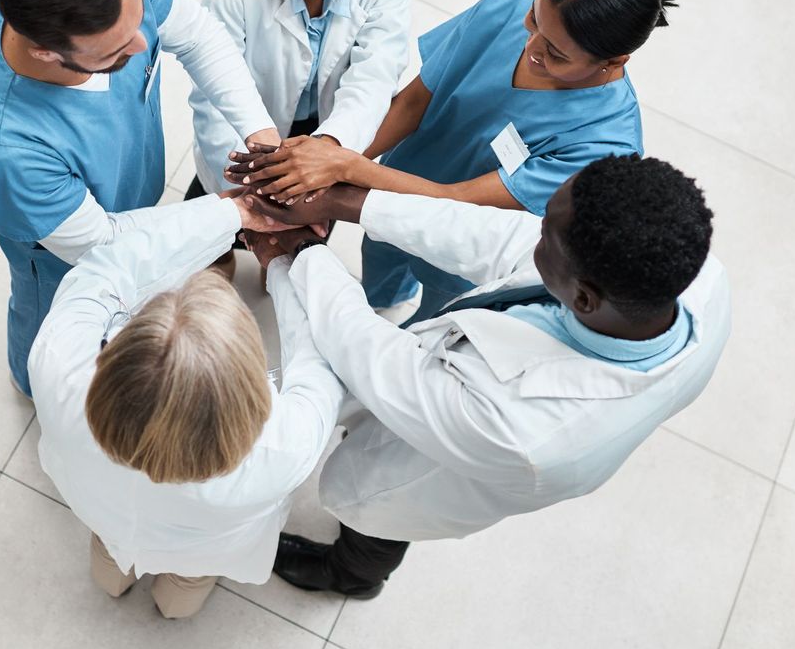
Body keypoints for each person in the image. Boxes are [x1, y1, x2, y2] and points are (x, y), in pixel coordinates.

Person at [241, 154, 728, 598]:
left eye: (546, 237)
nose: (533, 232)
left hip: (434, 474)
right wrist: (343, 202)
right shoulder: (689, 274)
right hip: (457, 411)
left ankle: (351, 578)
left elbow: (369, 354)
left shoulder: (523, 428)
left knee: (378, 526)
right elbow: (489, 236)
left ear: (583, 299)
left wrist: (300, 254)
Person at [230, 0, 674, 319]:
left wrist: (346, 167)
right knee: (379, 274)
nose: (530, 47)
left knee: (434, 326)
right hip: (381, 193)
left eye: (554, 54)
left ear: (614, 62)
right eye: (534, 20)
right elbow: (413, 102)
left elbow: (459, 205)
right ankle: (384, 304)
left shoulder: (603, 145)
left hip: (459, 254)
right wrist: (325, 156)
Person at [0, 0, 281, 397]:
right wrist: (236, 212)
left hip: (129, 196)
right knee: (52, 337)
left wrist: (261, 134)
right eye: (117, 52)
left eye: (137, 23)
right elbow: (101, 246)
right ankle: (32, 386)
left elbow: (198, 37)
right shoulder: (8, 148)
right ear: (46, 52)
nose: (143, 46)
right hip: (63, 254)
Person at [27, 191, 342, 618]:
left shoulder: (58, 368)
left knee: (110, 552)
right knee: (188, 582)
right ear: (246, 384)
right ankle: (175, 604)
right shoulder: (284, 449)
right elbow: (317, 361)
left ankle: (112, 580)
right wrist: (285, 264)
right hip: (203, 548)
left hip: (105, 514)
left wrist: (232, 211)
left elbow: (110, 267)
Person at [185, 0, 410, 276]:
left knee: (295, 244)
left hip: (327, 133)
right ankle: (218, 260)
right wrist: (251, 179)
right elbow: (213, 91)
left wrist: (327, 150)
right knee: (211, 241)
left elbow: (373, 83)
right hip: (242, 137)